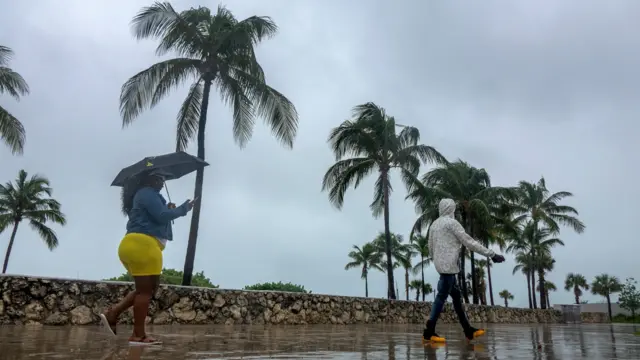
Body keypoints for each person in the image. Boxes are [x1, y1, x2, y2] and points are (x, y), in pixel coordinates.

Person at [100, 171, 195, 345]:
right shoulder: (147, 193)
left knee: (147, 289)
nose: (162, 180)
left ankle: (114, 313)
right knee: (145, 291)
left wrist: (168, 209)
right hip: (144, 245)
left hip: (135, 245)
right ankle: (138, 335)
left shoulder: (144, 196)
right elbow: (161, 216)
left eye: (164, 178)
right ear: (149, 178)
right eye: (159, 177)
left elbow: (157, 217)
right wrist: (183, 209)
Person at [422, 198, 505, 343]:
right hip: (448, 267)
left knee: (457, 298)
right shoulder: (452, 223)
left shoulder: (434, 225)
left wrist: (437, 260)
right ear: (451, 209)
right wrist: (492, 254)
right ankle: (429, 331)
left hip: (443, 266)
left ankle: (468, 330)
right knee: (441, 296)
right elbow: (469, 242)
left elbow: (430, 246)